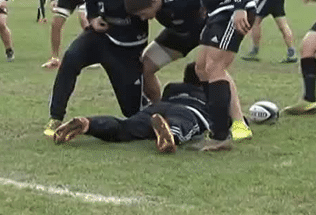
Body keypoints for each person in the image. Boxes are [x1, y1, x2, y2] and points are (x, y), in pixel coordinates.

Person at [43, 0, 195, 137]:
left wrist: (171, 0)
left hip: (127, 48)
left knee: (132, 111)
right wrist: (92, 18)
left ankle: (162, 118)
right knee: (71, 58)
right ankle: (55, 117)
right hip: (99, 37)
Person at [157, 0, 254, 151]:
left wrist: (240, 6)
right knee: (201, 68)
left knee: (214, 68)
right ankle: (225, 125)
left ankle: (221, 135)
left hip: (232, 11)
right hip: (217, 14)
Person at [124, 0, 254, 141]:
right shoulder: (156, 5)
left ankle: (239, 122)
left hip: (207, 31)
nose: (144, 19)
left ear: (154, 1)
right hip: (180, 36)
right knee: (146, 66)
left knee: (214, 69)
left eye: (144, 14)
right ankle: (159, 109)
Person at [53, 63, 211, 153]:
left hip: (156, 108)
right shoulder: (211, 93)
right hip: (189, 111)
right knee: (183, 125)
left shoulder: (172, 87)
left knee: (124, 127)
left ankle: (88, 124)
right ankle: (171, 136)